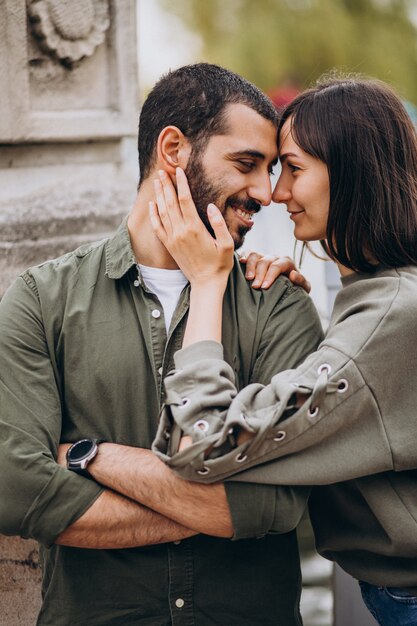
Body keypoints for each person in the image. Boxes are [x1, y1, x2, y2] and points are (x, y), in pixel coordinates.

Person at [0, 63, 323, 626]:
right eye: (246, 164)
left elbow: (280, 504)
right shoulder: (41, 300)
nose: (265, 194)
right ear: (173, 149)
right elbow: (17, 490)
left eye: (271, 170)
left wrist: (88, 456)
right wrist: (223, 507)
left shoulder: (279, 302)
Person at [149, 76, 417, 626]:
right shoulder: (386, 295)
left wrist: (206, 284)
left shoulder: (389, 315)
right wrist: (312, 325)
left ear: (349, 172)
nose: (275, 194)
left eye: (292, 169)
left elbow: (201, 443)